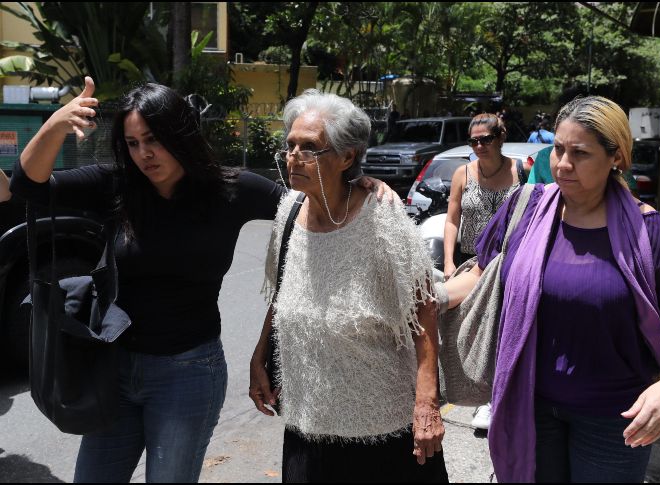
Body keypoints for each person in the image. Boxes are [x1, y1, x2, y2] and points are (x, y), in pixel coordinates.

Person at [10, 77, 395, 483]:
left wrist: (358, 184)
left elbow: (309, 201)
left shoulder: (231, 189)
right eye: (133, 143)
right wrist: (55, 124)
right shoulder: (116, 185)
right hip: (114, 368)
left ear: (180, 134)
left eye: (153, 139)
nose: (144, 153)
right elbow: (26, 186)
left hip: (187, 374)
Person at [443, 96, 660, 482]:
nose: (562, 165)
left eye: (580, 153)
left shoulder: (648, 232)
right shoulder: (525, 209)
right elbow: (482, 272)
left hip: (614, 421)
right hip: (529, 405)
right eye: (559, 149)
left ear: (615, 157)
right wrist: (432, 298)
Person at [248, 90, 448, 483]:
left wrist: (427, 403)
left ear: (347, 157)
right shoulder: (288, 211)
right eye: (290, 145)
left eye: (310, 147)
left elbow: (423, 307)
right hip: (308, 426)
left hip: (382, 431)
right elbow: (281, 292)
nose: (294, 156)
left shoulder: (382, 218)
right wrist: (259, 356)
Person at [444, 114, 520, 431]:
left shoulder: (520, 170)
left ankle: (493, 400)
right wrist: (448, 263)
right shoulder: (463, 173)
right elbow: (452, 219)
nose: (479, 146)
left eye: (485, 140)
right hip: (469, 262)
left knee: (500, 330)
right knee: (466, 328)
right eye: (473, 141)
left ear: (499, 137)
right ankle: (472, 391)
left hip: (506, 263)